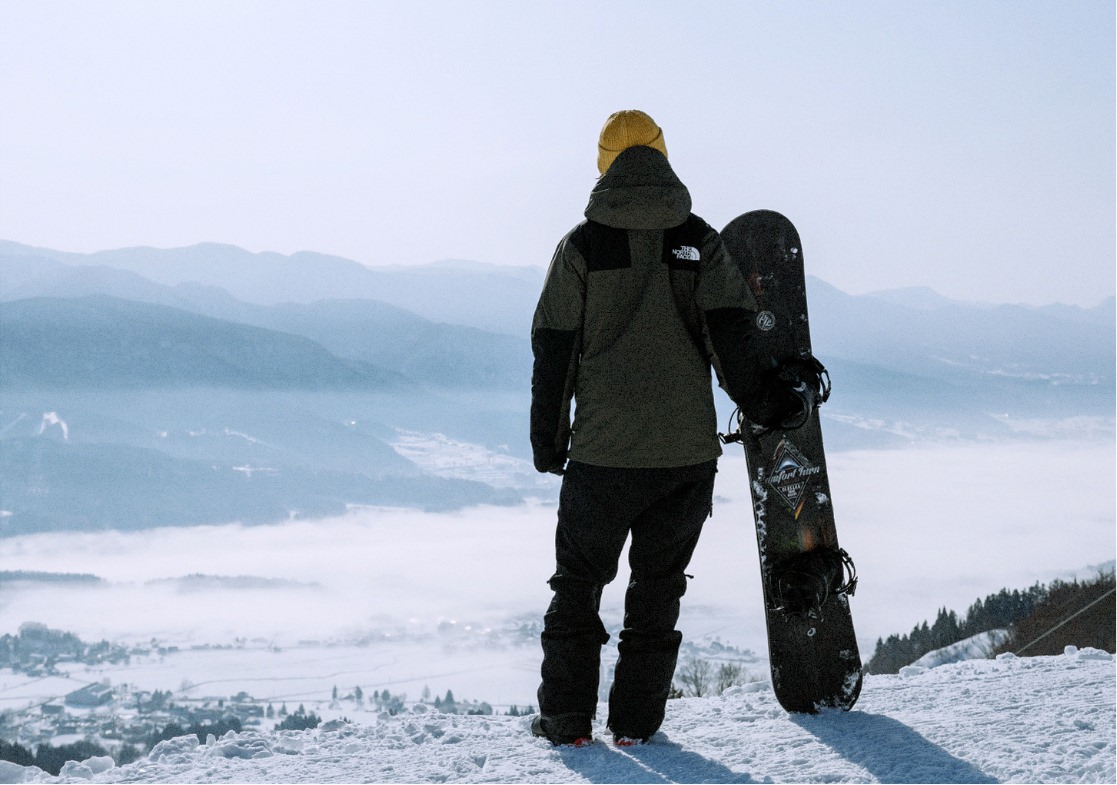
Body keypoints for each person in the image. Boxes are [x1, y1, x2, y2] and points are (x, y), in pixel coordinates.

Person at [529, 110, 812, 746]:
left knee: (577, 587)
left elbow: (555, 347)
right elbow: (732, 343)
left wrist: (549, 442)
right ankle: (635, 726)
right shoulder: (699, 242)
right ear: (662, 156)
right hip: (685, 461)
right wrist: (773, 405)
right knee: (657, 593)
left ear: (605, 164)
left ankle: (567, 723)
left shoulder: (581, 247)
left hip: (602, 459)